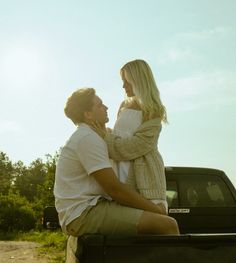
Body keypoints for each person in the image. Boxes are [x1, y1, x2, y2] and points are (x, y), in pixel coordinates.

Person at [54, 88, 179, 262]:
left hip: (90, 208)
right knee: (167, 225)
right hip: (84, 213)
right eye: (99, 105)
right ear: (88, 114)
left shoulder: (93, 136)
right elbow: (114, 189)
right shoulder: (87, 139)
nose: (106, 107)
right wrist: (155, 209)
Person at [93, 59, 168, 211]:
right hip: (119, 169)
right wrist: (103, 131)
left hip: (144, 175)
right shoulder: (124, 105)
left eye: (126, 81)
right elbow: (118, 135)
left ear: (138, 80)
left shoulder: (154, 110)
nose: (123, 86)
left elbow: (138, 145)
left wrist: (105, 137)